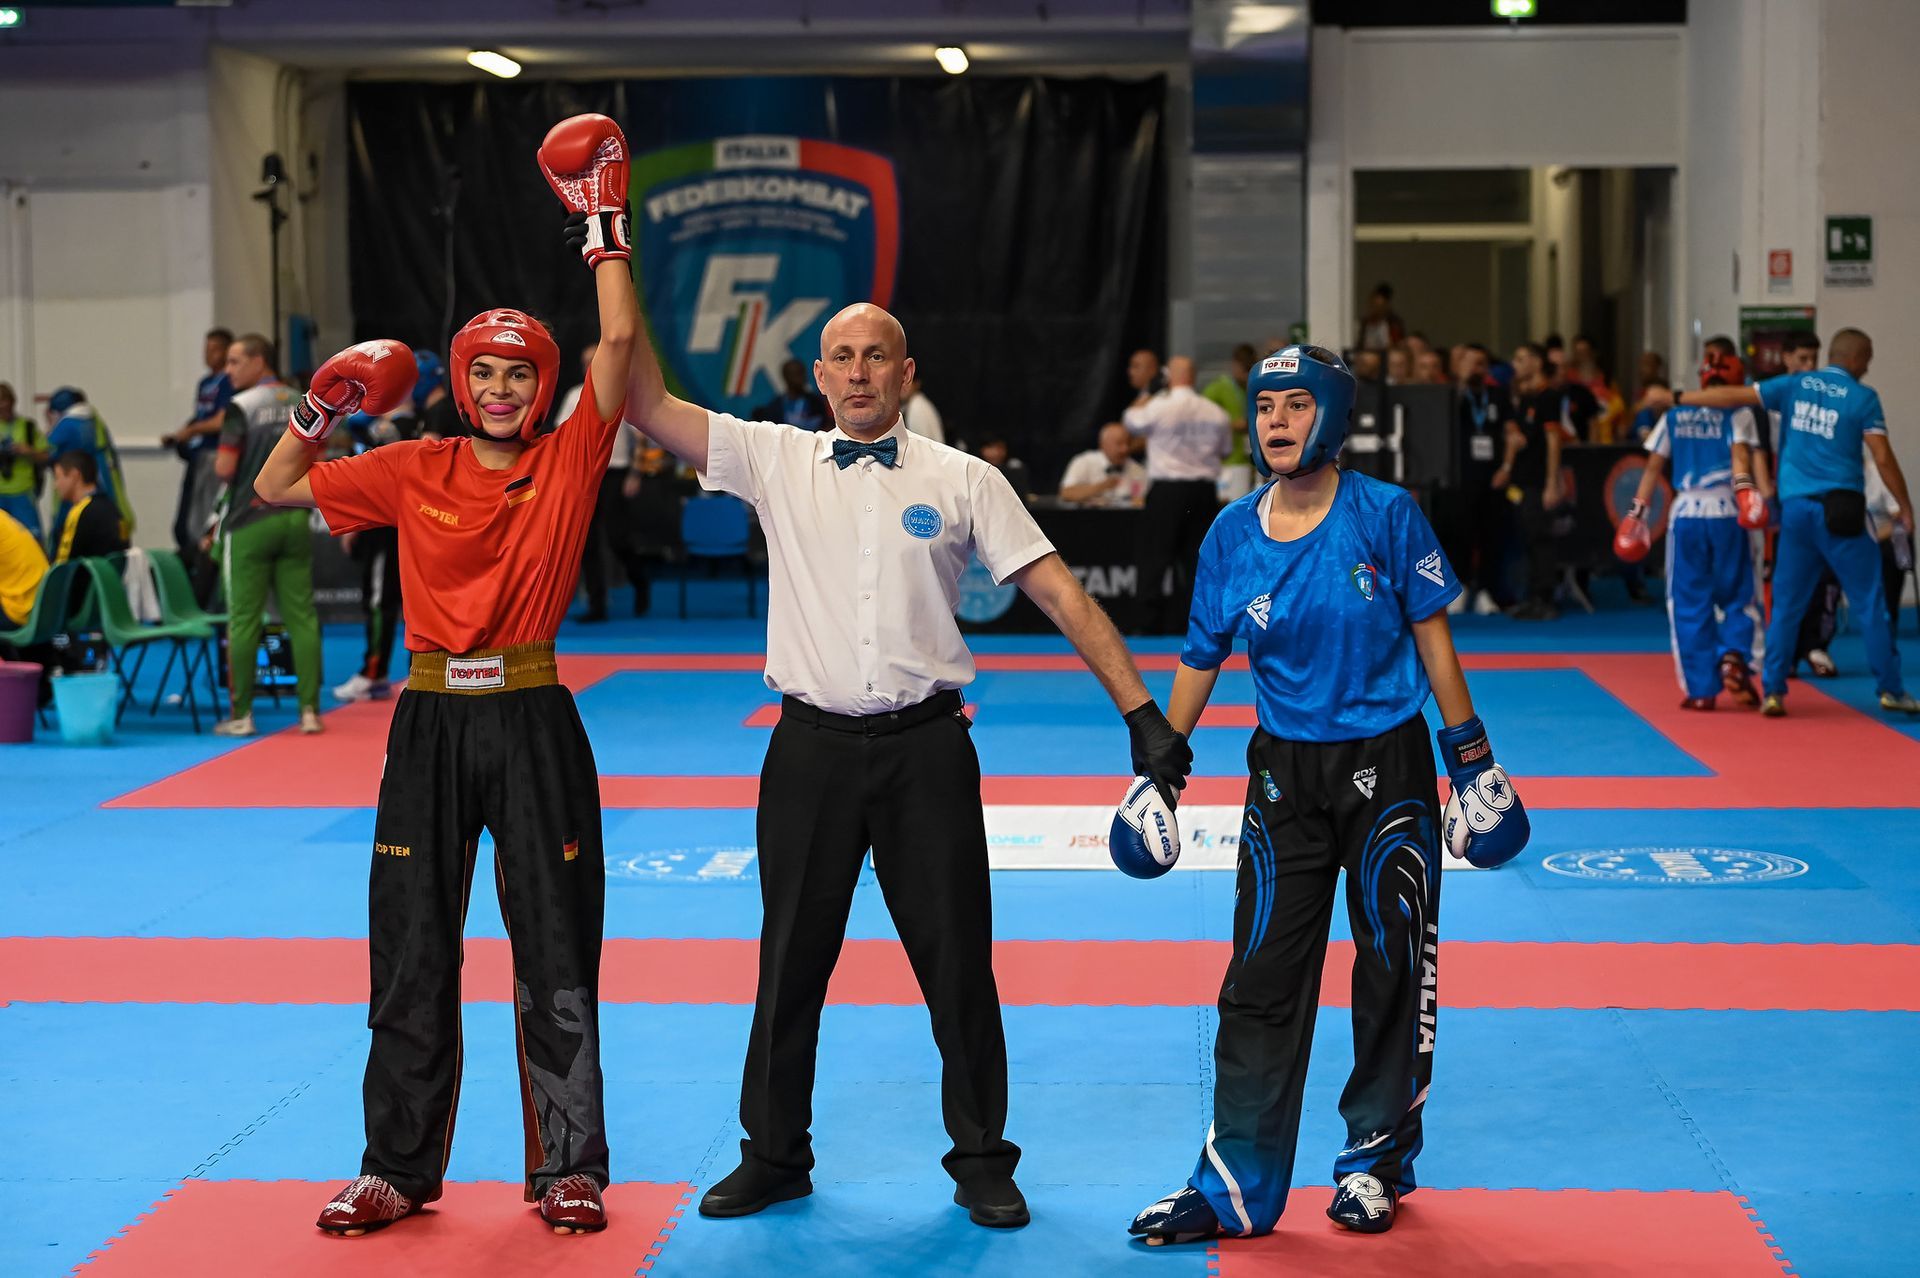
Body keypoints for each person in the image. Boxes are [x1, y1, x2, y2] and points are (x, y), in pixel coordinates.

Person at [619, 299, 1193, 1232]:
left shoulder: (965, 479)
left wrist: (1142, 713)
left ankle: (982, 1161)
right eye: (841, 357)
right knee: (788, 965)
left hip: (928, 751)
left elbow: (1060, 594)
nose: (858, 372)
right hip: (807, 751)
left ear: (906, 372)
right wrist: (612, 255)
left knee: (959, 963)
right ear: (818, 377)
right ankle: (774, 1155)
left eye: (875, 356)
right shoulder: (771, 457)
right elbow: (643, 401)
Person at [252, 112, 640, 1236]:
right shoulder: (411, 465)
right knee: (410, 948)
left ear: (540, 384)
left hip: (531, 715)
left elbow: (618, 347)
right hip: (426, 721)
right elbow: (276, 487)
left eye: (520, 373)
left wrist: (604, 227)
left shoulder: (569, 460)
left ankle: (570, 1169)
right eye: (486, 372)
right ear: (462, 382)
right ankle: (396, 1166)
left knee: (556, 944)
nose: (504, 389)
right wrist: (320, 408)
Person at [1128, 345, 1528, 1247]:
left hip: (1391, 768)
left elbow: (1433, 637)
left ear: (1335, 417)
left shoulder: (1386, 514)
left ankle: (1374, 1163)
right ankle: (1234, 1186)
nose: (1275, 420)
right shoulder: (1230, 534)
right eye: (1266, 405)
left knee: (1393, 966)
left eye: (1297, 404)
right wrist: (1159, 773)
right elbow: (1201, 657)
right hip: (1282, 777)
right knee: (1258, 978)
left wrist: (1472, 760)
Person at [1645, 327, 1918, 715]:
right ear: (1856, 358)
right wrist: (1904, 506)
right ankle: (1890, 689)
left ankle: (1773, 690)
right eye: (1868, 359)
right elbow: (1883, 457)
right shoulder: (1863, 398)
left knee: (1787, 604)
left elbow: (1732, 396)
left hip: (1797, 513)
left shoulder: (1795, 385)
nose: (1868, 366)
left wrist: (1676, 398)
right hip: (1841, 512)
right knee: (1870, 603)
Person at [1614, 339, 1763, 709]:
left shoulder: (1675, 415)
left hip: (1688, 514)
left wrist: (1636, 514)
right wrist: (1748, 493)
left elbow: (1652, 467)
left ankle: (1700, 691)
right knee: (1738, 593)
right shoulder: (1738, 413)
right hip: (1728, 511)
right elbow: (1740, 459)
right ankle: (1734, 655)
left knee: (1687, 599)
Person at [207, 335, 323, 737]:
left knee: (243, 620)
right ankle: (309, 712)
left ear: (260, 361)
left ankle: (242, 715)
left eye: (235, 361)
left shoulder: (241, 406)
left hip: (249, 520)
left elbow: (224, 468)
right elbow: (318, 455)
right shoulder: (305, 401)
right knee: (302, 616)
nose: (228, 370)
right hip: (295, 518)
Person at [333, 350, 447, 703]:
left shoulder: (399, 427)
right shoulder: (419, 421)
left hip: (391, 526)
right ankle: (411, 674)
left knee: (382, 601)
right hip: (416, 525)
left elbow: (381, 480)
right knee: (412, 602)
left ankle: (375, 673)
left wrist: (356, 522)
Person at [1124, 355, 1232, 634]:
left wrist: (1148, 392)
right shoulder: (1215, 412)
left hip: (1167, 491)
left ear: (1169, 377)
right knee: (1198, 559)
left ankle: (1146, 626)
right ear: (1193, 377)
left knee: (1154, 559)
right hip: (1203, 492)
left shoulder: (1158, 406)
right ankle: (1199, 626)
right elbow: (1225, 451)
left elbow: (1131, 422)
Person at [560, 343, 652, 621]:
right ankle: (597, 606)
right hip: (584, 476)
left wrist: (635, 474)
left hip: (614, 474)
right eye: (585, 362)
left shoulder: (621, 394)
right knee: (585, 543)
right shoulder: (574, 395)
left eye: (594, 361)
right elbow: (561, 436)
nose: (589, 367)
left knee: (617, 538)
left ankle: (640, 583)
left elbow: (640, 438)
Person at [1497, 342, 1575, 620]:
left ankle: (1545, 598)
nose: (1515, 365)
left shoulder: (1549, 397)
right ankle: (1531, 596)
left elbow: (1554, 441)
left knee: (1541, 538)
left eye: (1521, 359)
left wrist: (1552, 482)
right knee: (1528, 538)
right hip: (1523, 478)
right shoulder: (1525, 398)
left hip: (1539, 481)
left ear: (1537, 362)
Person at [1434, 344, 1512, 616]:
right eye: (1470, 363)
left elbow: (1509, 432)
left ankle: (1488, 590)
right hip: (1459, 476)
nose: (1476, 368)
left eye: (1480, 363)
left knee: (1491, 535)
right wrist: (1462, 383)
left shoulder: (1498, 395)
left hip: (1492, 476)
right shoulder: (1451, 393)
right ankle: (1461, 586)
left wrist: (1506, 467)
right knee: (1459, 533)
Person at [160, 328, 235, 591]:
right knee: (185, 523)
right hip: (198, 456)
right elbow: (201, 418)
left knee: (204, 519)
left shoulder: (227, 382)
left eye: (213, 349)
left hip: (214, 457)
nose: (207, 355)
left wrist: (192, 431)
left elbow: (222, 420)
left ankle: (205, 579)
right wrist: (181, 435)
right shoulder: (205, 383)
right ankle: (191, 571)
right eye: (206, 349)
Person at [44, 388, 130, 550]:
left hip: (78, 495)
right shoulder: (94, 421)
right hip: (103, 488)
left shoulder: (67, 424)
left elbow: (45, 450)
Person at [48, 451, 129, 563]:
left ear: (75, 476)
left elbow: (62, 566)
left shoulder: (79, 513)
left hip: (88, 574)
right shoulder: (112, 509)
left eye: (57, 477)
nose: (55, 486)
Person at [1203, 344, 1257, 501]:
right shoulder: (1218, 388)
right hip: (1224, 461)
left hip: (1244, 459)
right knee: (1226, 506)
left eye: (1250, 370)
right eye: (1244, 370)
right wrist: (1231, 425)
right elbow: (1202, 420)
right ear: (1235, 365)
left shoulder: (1247, 389)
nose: (1246, 375)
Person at [1059, 422, 1148, 507]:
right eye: (1119, 443)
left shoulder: (1137, 470)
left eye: (1128, 443)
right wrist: (1102, 486)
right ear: (1103, 445)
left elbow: (1142, 501)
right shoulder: (1084, 462)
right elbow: (1066, 493)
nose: (1125, 449)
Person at [0, 382, 46, 540]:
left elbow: (47, 456)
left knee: (31, 539)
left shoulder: (28, 427)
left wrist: (28, 451)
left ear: (12, 402)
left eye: (4, 401)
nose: (2, 406)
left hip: (23, 492)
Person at [752, 358, 829, 432]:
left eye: (801, 373)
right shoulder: (775, 407)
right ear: (785, 376)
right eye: (795, 374)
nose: (800, 378)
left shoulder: (816, 403)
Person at [1355, 283, 1404, 353]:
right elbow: (1360, 346)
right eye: (1372, 305)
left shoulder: (1393, 323)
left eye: (1378, 306)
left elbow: (1397, 346)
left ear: (1386, 305)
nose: (1374, 309)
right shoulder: (1365, 324)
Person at [901, 372, 946, 445]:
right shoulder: (914, 403)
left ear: (917, 384)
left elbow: (921, 444)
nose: (903, 387)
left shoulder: (917, 407)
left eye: (907, 382)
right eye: (900, 383)